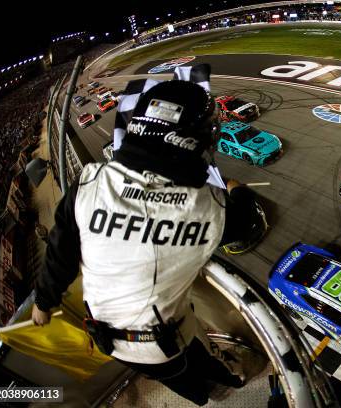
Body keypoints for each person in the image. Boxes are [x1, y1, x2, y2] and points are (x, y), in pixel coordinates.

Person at [31, 66, 254, 405]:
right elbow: (246, 222)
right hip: (171, 337)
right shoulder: (210, 206)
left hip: (112, 342)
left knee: (181, 381)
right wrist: (238, 191)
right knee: (198, 360)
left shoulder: (89, 183)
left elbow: (60, 252)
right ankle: (227, 382)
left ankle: (205, 396)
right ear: (196, 137)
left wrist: (44, 302)